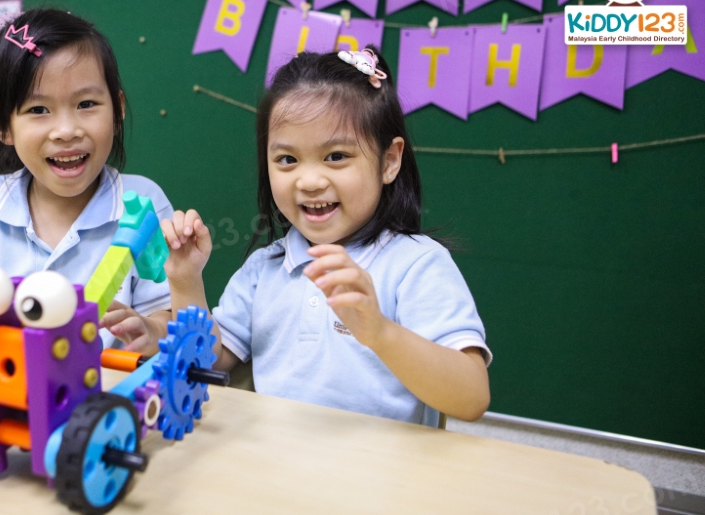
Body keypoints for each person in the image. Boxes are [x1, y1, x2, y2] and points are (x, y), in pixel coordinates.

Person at [161, 46, 491, 424]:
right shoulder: (264, 269)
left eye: (336, 156)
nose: (310, 181)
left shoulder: (417, 264)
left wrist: (380, 332)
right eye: (287, 159)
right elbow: (207, 363)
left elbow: (471, 398)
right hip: (274, 457)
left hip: (382, 463)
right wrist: (185, 281)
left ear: (389, 161)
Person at [0, 8, 172, 353]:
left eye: (86, 103)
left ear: (117, 110)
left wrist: (152, 331)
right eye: (38, 110)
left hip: (100, 386)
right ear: (2, 125)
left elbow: (167, 314)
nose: (66, 131)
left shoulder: (142, 203)